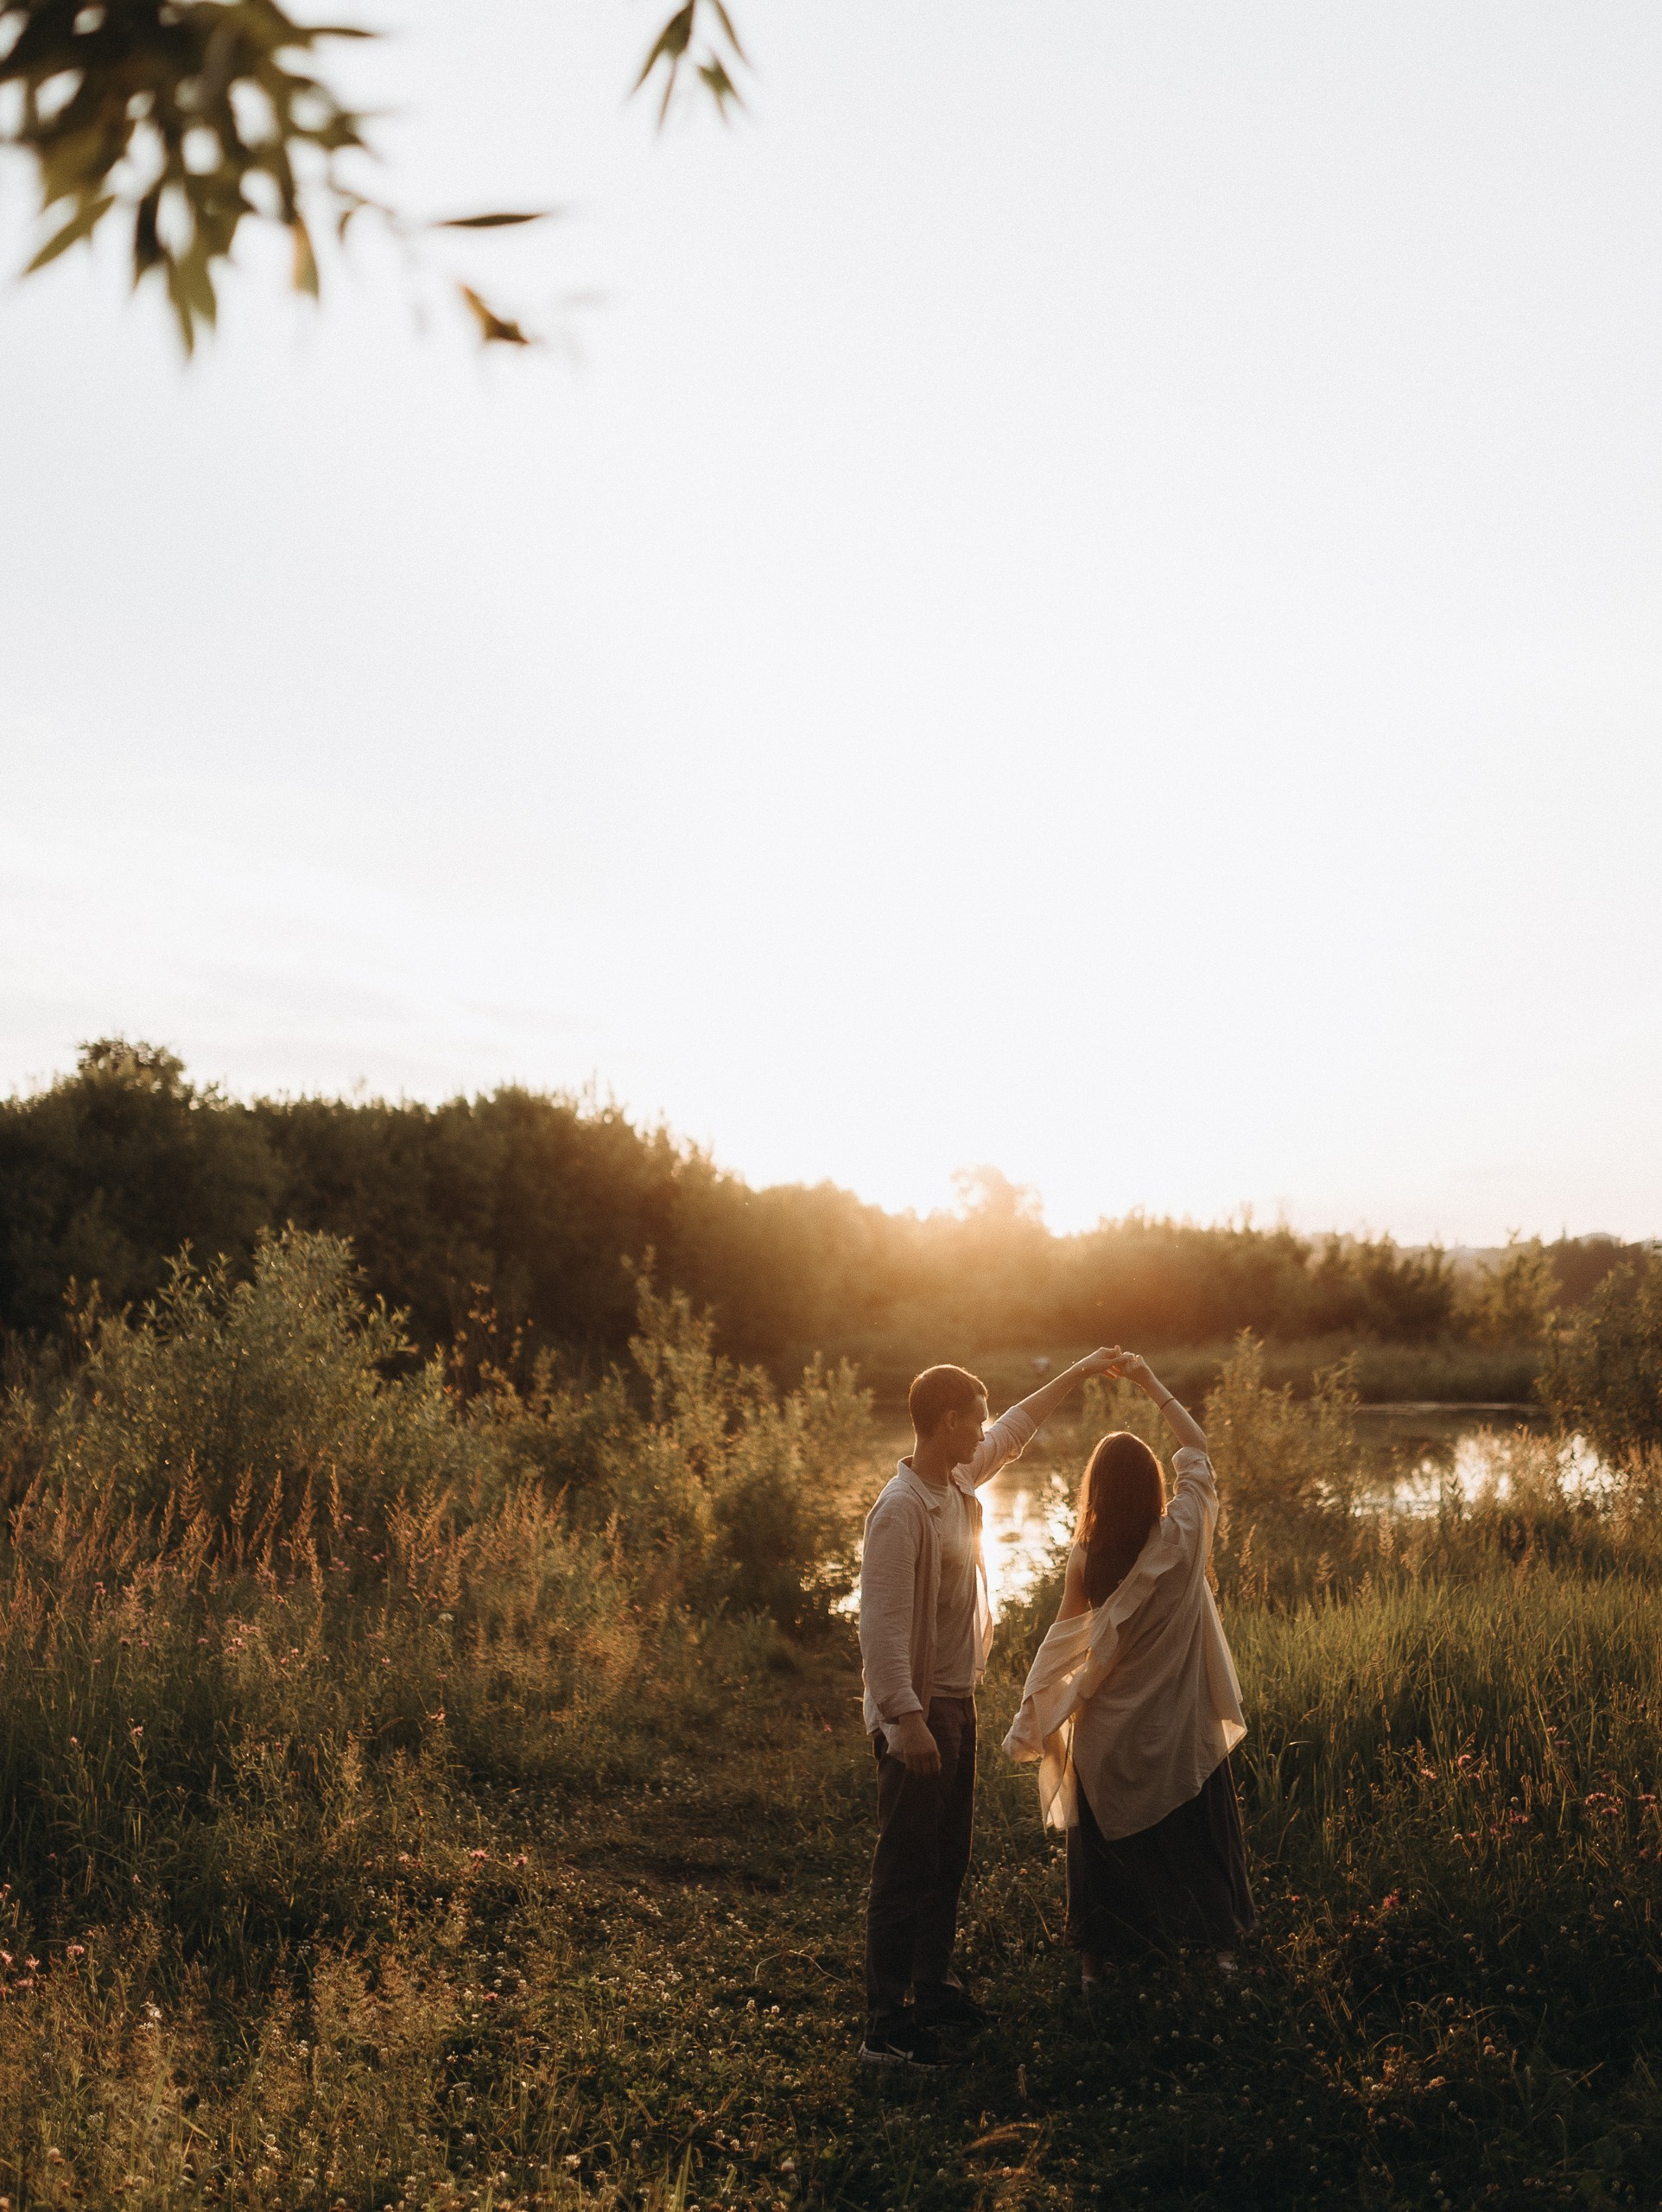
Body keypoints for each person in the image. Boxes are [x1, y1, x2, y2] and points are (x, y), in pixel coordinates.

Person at [857, 1347, 1125, 2068]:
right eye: (973, 1420)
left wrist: (1079, 1370)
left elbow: (1016, 1428)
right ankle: (884, 2028)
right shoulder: (900, 1510)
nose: (983, 1432)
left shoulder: (956, 1480)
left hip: (957, 1700)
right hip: (922, 1710)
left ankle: (929, 1987)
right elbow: (879, 1625)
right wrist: (906, 1719)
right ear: (947, 1422)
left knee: (948, 1858)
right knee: (905, 1865)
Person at [1003, 1354, 1254, 1984]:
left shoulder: (1086, 1558)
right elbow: (1196, 1448)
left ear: (1096, 1490)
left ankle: (1096, 1965)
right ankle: (1218, 1954)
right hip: (1178, 1724)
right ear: (1152, 1488)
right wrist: (1148, 1380)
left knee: (1100, 1845)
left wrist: (1035, 1708)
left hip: (1107, 1732)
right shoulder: (1185, 1535)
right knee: (1200, 1833)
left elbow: (1062, 1642)